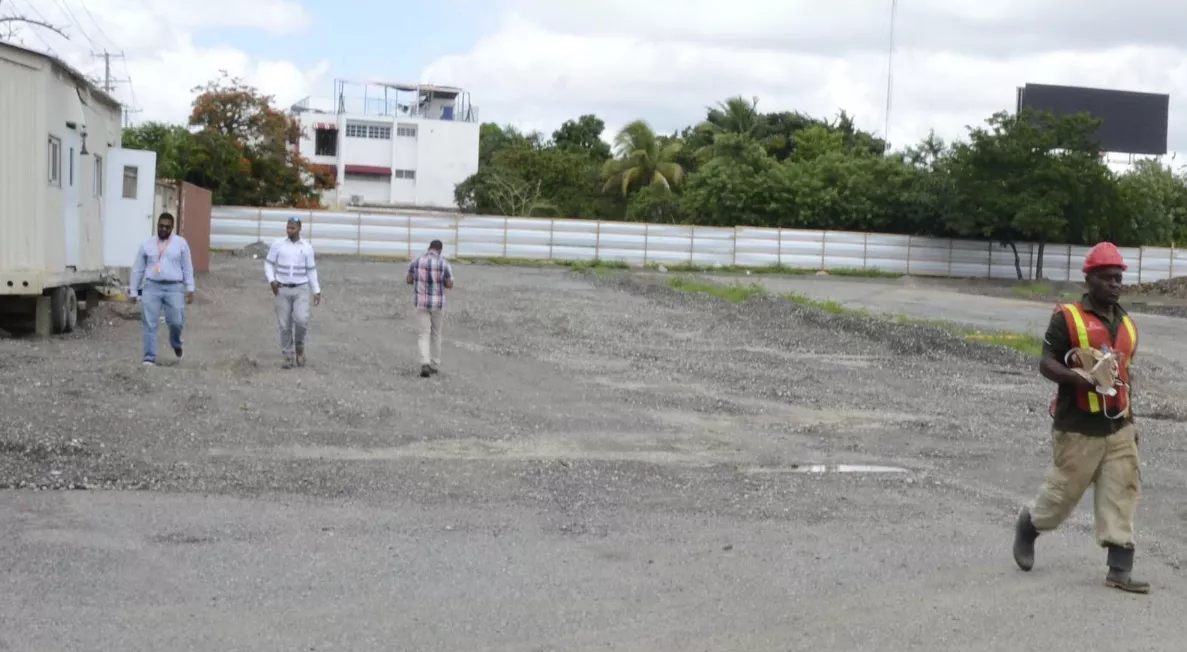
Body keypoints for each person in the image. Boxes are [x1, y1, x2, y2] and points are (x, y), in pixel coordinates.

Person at [1012, 241, 1147, 594]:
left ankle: (1120, 567)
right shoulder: (1067, 317)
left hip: (1118, 427)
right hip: (1077, 429)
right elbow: (1046, 362)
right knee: (1061, 498)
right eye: (1107, 278)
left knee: (1122, 491)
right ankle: (1030, 526)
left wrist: (1133, 422)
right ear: (1089, 280)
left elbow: (1125, 377)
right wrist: (1077, 377)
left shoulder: (1127, 324)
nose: (1115, 284)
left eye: (1118, 278)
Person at [128, 212, 195, 366]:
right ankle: (149, 357)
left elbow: (187, 267)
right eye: (161, 226)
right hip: (152, 286)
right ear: (157, 225)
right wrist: (133, 290)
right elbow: (138, 268)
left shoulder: (181, 244)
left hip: (174, 287)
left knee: (176, 322)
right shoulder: (147, 244)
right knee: (149, 322)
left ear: (172, 228)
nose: (163, 229)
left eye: (167, 227)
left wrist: (190, 287)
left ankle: (176, 343)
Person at [264, 216, 322, 369]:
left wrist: (316, 290)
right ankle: (288, 355)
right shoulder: (278, 245)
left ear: (299, 229)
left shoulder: (307, 248)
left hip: (301, 289)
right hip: (281, 289)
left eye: (292, 228)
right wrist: (271, 280)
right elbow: (268, 264)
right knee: (285, 325)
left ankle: (300, 348)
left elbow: (311, 270)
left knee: (301, 320)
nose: (289, 230)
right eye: (288, 227)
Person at [406, 239, 454, 378]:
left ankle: (424, 362)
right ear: (440, 250)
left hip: (420, 302)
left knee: (423, 333)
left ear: (429, 248)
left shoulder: (416, 261)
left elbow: (409, 280)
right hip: (437, 303)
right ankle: (434, 362)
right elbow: (449, 284)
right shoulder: (444, 263)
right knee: (436, 333)